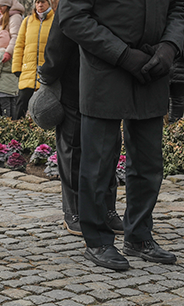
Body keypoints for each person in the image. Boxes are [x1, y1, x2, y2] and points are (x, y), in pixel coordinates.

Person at [58, 0, 184, 271]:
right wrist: (122, 55)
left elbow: (178, 7)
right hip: (105, 70)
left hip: (152, 69)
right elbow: (73, 16)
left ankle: (139, 235)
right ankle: (97, 239)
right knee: (98, 161)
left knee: (148, 162)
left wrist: (169, 47)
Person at [38, 26, 125, 237]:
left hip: (106, 83)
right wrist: (49, 76)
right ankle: (73, 211)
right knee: (72, 150)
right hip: (73, 84)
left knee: (110, 149)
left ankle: (107, 209)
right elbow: (57, 43)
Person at [12, 0, 55, 119]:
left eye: (43, 2)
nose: (40, 5)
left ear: (48, 3)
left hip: (46, 72)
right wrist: (16, 68)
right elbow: (19, 45)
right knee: (21, 106)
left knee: (45, 108)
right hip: (28, 71)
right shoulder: (27, 21)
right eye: (37, 2)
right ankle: (15, 134)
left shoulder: (55, 21)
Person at [0, 0, 24, 116]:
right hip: (1, 56)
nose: (0, 8)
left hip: (6, 58)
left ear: (8, 6)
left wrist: (8, 52)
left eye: (2, 6)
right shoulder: (2, 18)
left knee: (8, 109)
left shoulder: (15, 18)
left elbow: (15, 37)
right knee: (8, 108)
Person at [0, 30, 19, 117]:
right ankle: (15, 125)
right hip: (14, 86)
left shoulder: (0, 55)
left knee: (5, 110)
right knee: (14, 108)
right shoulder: (14, 54)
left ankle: (7, 127)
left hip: (3, 87)